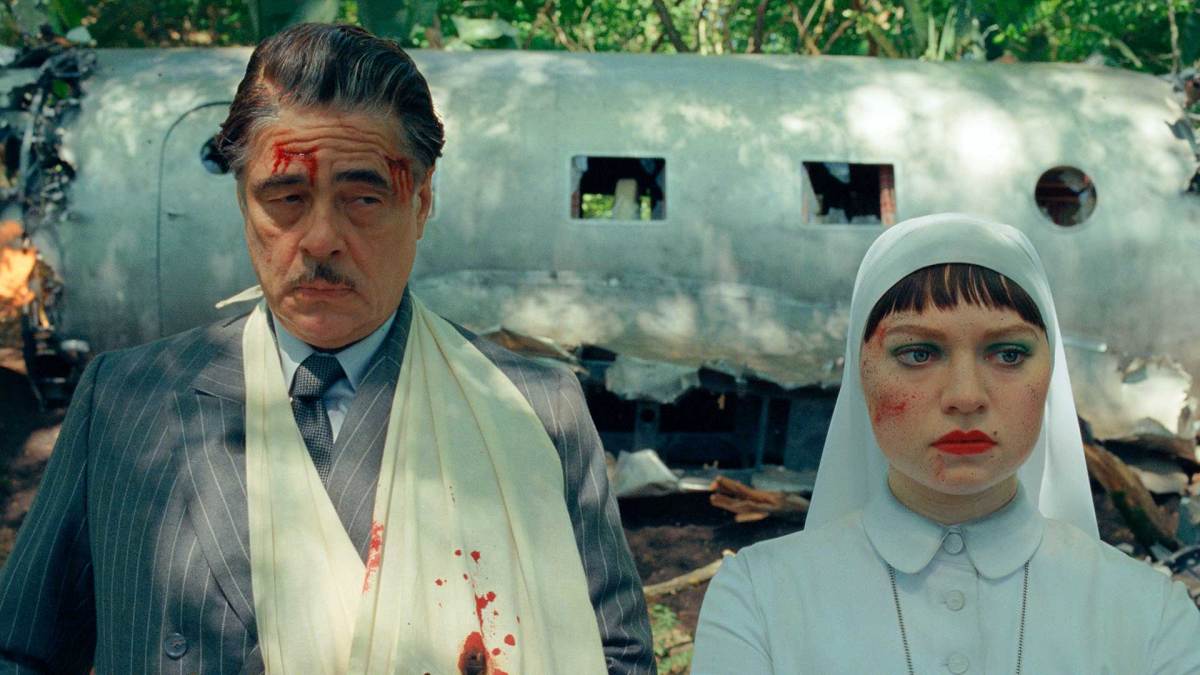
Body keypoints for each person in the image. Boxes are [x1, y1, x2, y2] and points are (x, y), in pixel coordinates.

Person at [0, 23, 654, 674]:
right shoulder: (126, 402)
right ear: (244, 202)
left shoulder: (530, 409)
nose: (320, 240)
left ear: (421, 202)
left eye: (363, 198)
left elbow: (615, 656)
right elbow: (22, 650)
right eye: (285, 197)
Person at [691, 213, 1200, 673]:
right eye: (918, 353)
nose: (965, 397)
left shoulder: (1152, 615)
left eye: (1008, 353)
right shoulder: (758, 600)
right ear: (862, 372)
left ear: (1051, 371)